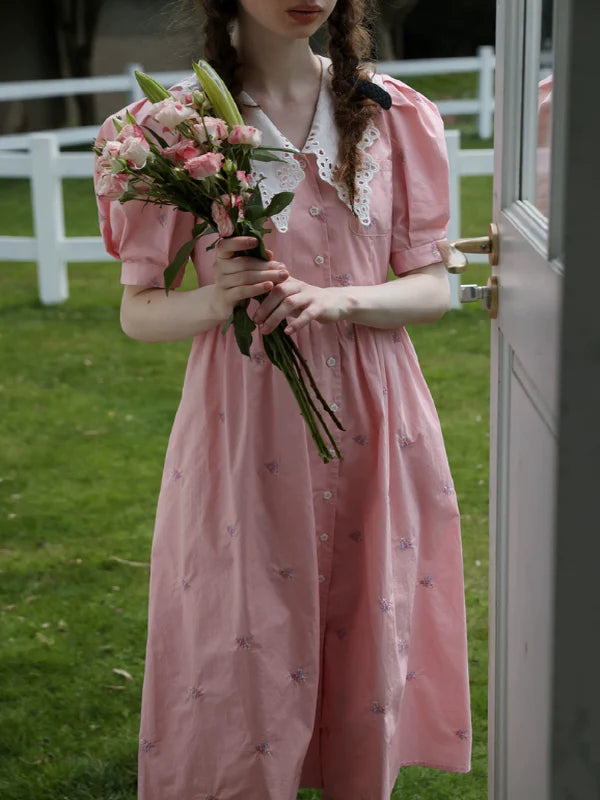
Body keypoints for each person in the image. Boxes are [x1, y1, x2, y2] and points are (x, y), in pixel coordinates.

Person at [93, 1, 472, 798]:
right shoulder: (169, 129)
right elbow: (138, 310)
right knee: (245, 649)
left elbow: (436, 285)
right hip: (246, 422)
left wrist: (341, 301)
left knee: (373, 634)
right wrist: (217, 299)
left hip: (379, 417)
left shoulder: (394, 115)